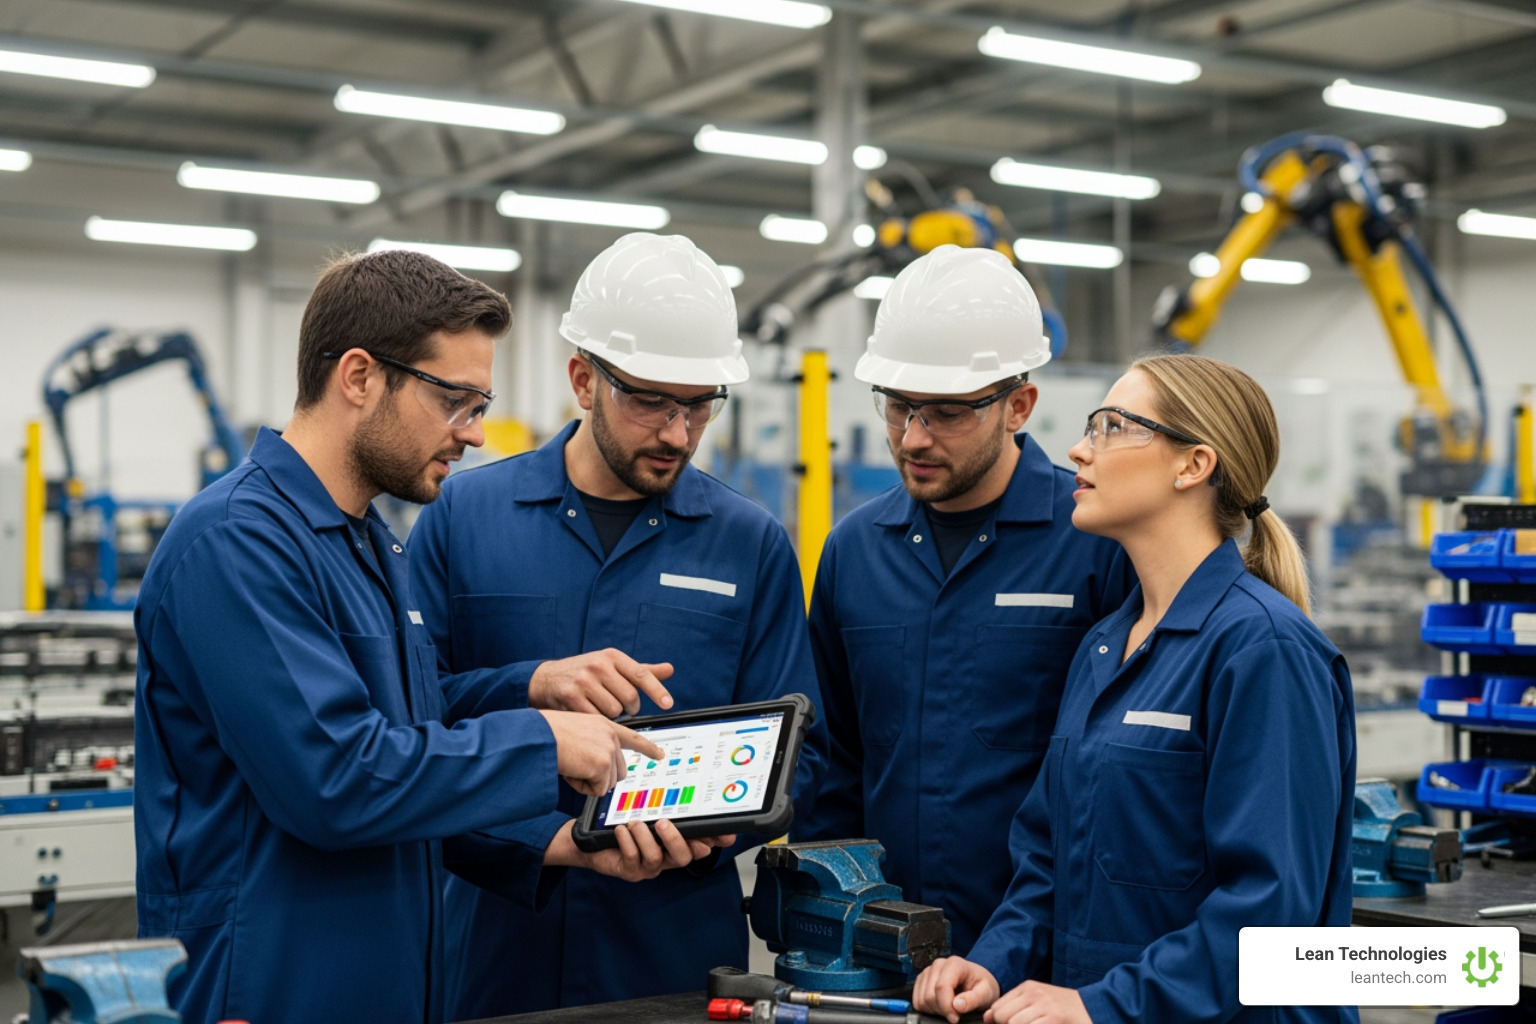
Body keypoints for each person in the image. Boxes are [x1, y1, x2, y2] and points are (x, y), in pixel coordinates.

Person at [133, 250, 709, 1024]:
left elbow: (409, 728)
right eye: (456, 401)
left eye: (481, 404)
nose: (473, 433)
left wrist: (530, 688)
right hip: (270, 982)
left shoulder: (368, 542)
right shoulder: (237, 542)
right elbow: (336, 776)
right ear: (362, 377)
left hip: (384, 979)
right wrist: (542, 743)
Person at [409, 232, 825, 1018]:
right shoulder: (463, 518)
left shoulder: (751, 543)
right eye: (650, 400)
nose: (677, 431)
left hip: (670, 948)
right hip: (496, 941)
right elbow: (410, 716)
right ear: (582, 380)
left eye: (699, 404)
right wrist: (530, 689)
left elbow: (799, 747)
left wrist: (714, 831)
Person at [913, 354, 1358, 1024]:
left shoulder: (1262, 649)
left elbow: (1268, 914)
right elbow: (1050, 860)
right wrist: (995, 962)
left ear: (1192, 465)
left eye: (1111, 426)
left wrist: (1103, 1005)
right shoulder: (1103, 646)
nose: (1077, 449)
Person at [795, 244, 1134, 954]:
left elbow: (1117, 778)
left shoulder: (1094, 543)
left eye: (947, 412)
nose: (913, 437)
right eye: (899, 407)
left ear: (1019, 405)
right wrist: (828, 920)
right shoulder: (854, 550)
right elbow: (834, 763)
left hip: (1045, 949)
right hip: (882, 947)